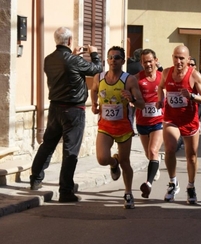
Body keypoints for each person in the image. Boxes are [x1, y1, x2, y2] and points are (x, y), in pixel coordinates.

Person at [29, 27, 102, 203]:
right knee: (71, 151)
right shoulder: (73, 61)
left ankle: (35, 179)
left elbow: (67, 68)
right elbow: (96, 69)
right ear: (69, 41)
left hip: (54, 107)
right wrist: (94, 53)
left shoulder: (48, 59)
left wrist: (74, 56)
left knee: (48, 144)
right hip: (74, 109)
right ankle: (65, 190)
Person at [91, 46, 145, 209]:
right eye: (110, 57)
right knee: (102, 159)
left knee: (126, 162)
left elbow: (141, 104)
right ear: (107, 60)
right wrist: (94, 104)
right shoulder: (98, 78)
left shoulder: (129, 80)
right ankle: (113, 163)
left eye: (117, 57)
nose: (113, 60)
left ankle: (128, 193)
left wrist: (132, 99)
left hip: (123, 127)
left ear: (123, 61)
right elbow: (93, 91)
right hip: (105, 126)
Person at [156, 45, 201, 204]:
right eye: (175, 57)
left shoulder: (195, 76)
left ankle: (191, 186)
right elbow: (160, 87)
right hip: (171, 118)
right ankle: (173, 182)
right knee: (170, 148)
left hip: (189, 120)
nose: (178, 61)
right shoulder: (166, 73)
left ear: (188, 60)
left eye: (182, 58)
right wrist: (160, 99)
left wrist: (192, 96)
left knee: (191, 156)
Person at [134, 49, 164, 199]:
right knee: (149, 153)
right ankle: (156, 163)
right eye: (145, 62)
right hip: (142, 121)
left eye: (150, 61)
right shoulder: (136, 79)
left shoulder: (162, 77)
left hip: (159, 121)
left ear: (156, 60)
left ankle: (148, 183)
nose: (148, 64)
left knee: (153, 150)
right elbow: (131, 96)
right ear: (141, 63)